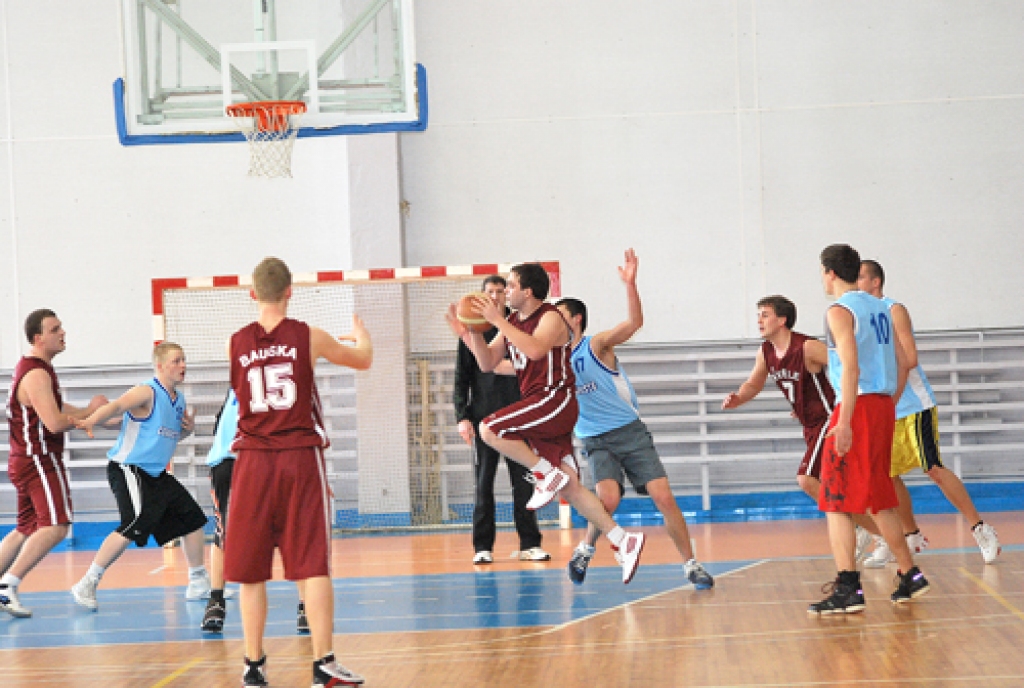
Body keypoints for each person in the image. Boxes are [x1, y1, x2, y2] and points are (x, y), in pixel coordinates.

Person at [447, 262, 646, 584]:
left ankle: (543, 474)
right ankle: (624, 539)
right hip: (541, 405)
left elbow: (537, 350)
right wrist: (472, 329)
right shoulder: (511, 321)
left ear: (528, 291)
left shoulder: (550, 316)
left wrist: (497, 320)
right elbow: (487, 363)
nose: (505, 291)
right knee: (572, 486)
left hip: (556, 400)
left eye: (510, 286)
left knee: (489, 429)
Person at [226, 257, 372, 688]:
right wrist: (362, 337)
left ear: (253, 294)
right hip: (297, 456)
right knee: (311, 564)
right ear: (291, 290)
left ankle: (254, 667)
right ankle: (323, 664)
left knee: (250, 571)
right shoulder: (309, 336)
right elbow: (362, 360)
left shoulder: (235, 342)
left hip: (251, 460)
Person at [556, 249, 714, 589]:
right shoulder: (552, 361)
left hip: (628, 431)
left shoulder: (595, 345)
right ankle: (585, 549)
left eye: (560, 317)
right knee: (607, 500)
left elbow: (634, 324)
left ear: (577, 320)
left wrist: (631, 285)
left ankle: (691, 564)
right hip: (594, 439)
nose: (554, 323)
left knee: (663, 496)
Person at [858, 259, 1001, 565]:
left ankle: (980, 528)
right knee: (888, 473)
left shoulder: (893, 309)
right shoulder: (857, 316)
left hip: (912, 404)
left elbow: (909, 357)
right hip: (885, 405)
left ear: (875, 282)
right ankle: (911, 535)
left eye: (860, 278)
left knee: (933, 467)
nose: (855, 284)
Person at [810, 244, 928, 615]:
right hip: (880, 406)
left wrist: (844, 420)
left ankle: (848, 586)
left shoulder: (839, 311)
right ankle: (910, 574)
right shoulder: (881, 306)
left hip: (857, 406)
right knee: (878, 497)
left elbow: (850, 368)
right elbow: (902, 359)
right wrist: (888, 403)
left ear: (829, 272)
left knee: (833, 498)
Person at [721, 295, 878, 560]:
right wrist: (739, 397)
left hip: (830, 420)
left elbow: (848, 367)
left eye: (765, 314)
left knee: (807, 480)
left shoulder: (807, 347)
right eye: (758, 314)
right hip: (810, 425)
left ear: (782, 320)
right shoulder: (766, 352)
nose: (759, 320)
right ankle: (872, 530)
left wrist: (846, 405)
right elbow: (753, 384)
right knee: (839, 488)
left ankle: (875, 533)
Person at [70, 342, 211, 611]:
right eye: (176, 361)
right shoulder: (147, 391)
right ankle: (87, 582)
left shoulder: (178, 400)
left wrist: (189, 430)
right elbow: (117, 406)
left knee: (192, 519)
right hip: (129, 468)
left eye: (184, 360)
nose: (183, 366)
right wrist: (91, 420)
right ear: (160, 366)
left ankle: (198, 582)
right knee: (133, 521)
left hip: (156, 474)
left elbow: (172, 435)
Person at [0, 309, 107, 618]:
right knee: (57, 526)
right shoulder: (36, 373)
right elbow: (55, 422)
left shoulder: (36, 369)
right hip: (39, 460)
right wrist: (85, 419)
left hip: (25, 459)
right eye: (55, 329)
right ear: (38, 338)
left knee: (25, 527)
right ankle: (8, 584)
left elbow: (56, 407)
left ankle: (5, 582)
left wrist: (89, 411)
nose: (63, 333)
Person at [454, 275, 548, 565]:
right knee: (483, 485)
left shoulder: (516, 327)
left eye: (499, 291)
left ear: (506, 295)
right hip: (484, 419)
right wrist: (462, 416)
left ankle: (530, 543)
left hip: (518, 419)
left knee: (524, 483)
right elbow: (462, 377)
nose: (494, 295)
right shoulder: (473, 330)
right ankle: (482, 546)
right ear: (480, 296)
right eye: (489, 291)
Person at [199, 389, 308, 634]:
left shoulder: (279, 380)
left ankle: (305, 605)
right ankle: (215, 600)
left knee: (291, 531)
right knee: (226, 533)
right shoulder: (243, 375)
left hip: (268, 458)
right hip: (229, 460)